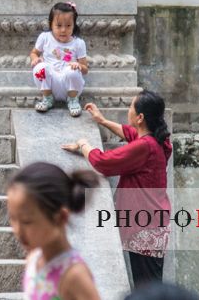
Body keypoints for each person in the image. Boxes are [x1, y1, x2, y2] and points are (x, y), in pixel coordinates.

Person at [63, 92, 172, 288]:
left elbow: (103, 163)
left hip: (144, 227)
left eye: (131, 107)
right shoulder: (159, 139)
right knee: (150, 284)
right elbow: (131, 133)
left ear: (140, 117)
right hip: (153, 223)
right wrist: (103, 121)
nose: (128, 110)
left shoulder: (145, 147)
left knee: (148, 288)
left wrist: (84, 145)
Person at [6, 162, 100, 300]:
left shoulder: (74, 276)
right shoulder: (33, 259)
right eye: (13, 219)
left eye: (27, 221)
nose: (17, 231)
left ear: (61, 217)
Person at [29, 1, 89, 116]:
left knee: (73, 71)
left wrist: (79, 66)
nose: (63, 30)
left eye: (68, 26)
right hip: (50, 83)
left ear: (74, 25)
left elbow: (85, 69)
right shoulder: (45, 37)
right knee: (40, 67)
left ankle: (72, 100)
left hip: (69, 86)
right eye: (59, 25)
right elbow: (33, 53)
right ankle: (47, 98)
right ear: (51, 24)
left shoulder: (78, 43)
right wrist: (35, 59)